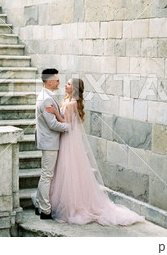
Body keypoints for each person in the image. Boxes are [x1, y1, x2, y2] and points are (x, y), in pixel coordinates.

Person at [44, 77, 145, 226]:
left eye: (69, 84)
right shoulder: (67, 99)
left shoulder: (72, 103)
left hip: (69, 138)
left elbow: (67, 123)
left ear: (75, 88)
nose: (65, 85)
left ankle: (74, 204)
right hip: (64, 137)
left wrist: (54, 112)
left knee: (69, 168)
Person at [32, 68, 70, 219]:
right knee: (47, 175)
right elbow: (52, 124)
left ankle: (40, 204)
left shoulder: (46, 95)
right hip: (49, 142)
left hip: (48, 140)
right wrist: (69, 128)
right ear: (49, 81)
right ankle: (45, 210)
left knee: (46, 175)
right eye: (57, 80)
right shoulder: (46, 99)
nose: (59, 82)